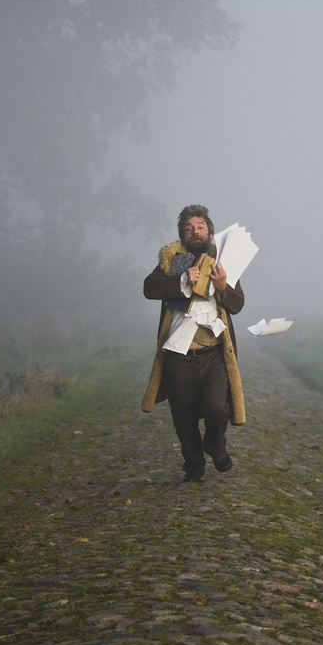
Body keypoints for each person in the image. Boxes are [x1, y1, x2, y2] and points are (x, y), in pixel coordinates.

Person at [141, 205, 246, 483]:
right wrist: (182, 280)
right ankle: (193, 466)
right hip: (178, 354)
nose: (194, 231)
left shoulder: (224, 264)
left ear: (210, 234)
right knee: (183, 413)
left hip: (214, 354)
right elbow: (149, 288)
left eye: (199, 226)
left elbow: (237, 305)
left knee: (217, 407)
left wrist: (223, 287)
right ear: (182, 236)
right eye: (188, 228)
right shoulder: (171, 262)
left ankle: (214, 444)